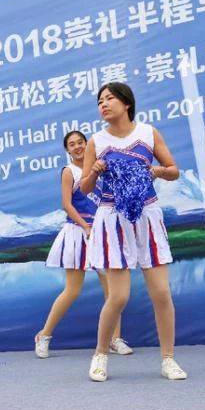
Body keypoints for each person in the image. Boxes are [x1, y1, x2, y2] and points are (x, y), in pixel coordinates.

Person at [81, 82, 187, 383]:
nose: (103, 104)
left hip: (147, 215)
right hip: (112, 218)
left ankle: (168, 359)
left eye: (109, 98)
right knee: (118, 296)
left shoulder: (148, 133)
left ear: (126, 103)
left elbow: (173, 170)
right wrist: (95, 171)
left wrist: (157, 171)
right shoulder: (96, 141)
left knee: (161, 292)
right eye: (100, 101)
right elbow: (85, 188)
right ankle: (100, 354)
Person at [35, 130, 133, 358]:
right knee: (72, 290)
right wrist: (86, 227)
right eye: (72, 144)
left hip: (102, 233)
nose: (78, 147)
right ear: (67, 150)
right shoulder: (69, 171)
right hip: (78, 233)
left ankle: (114, 339)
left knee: (113, 291)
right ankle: (44, 335)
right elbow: (67, 204)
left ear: (88, 144)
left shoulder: (100, 167)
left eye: (81, 142)